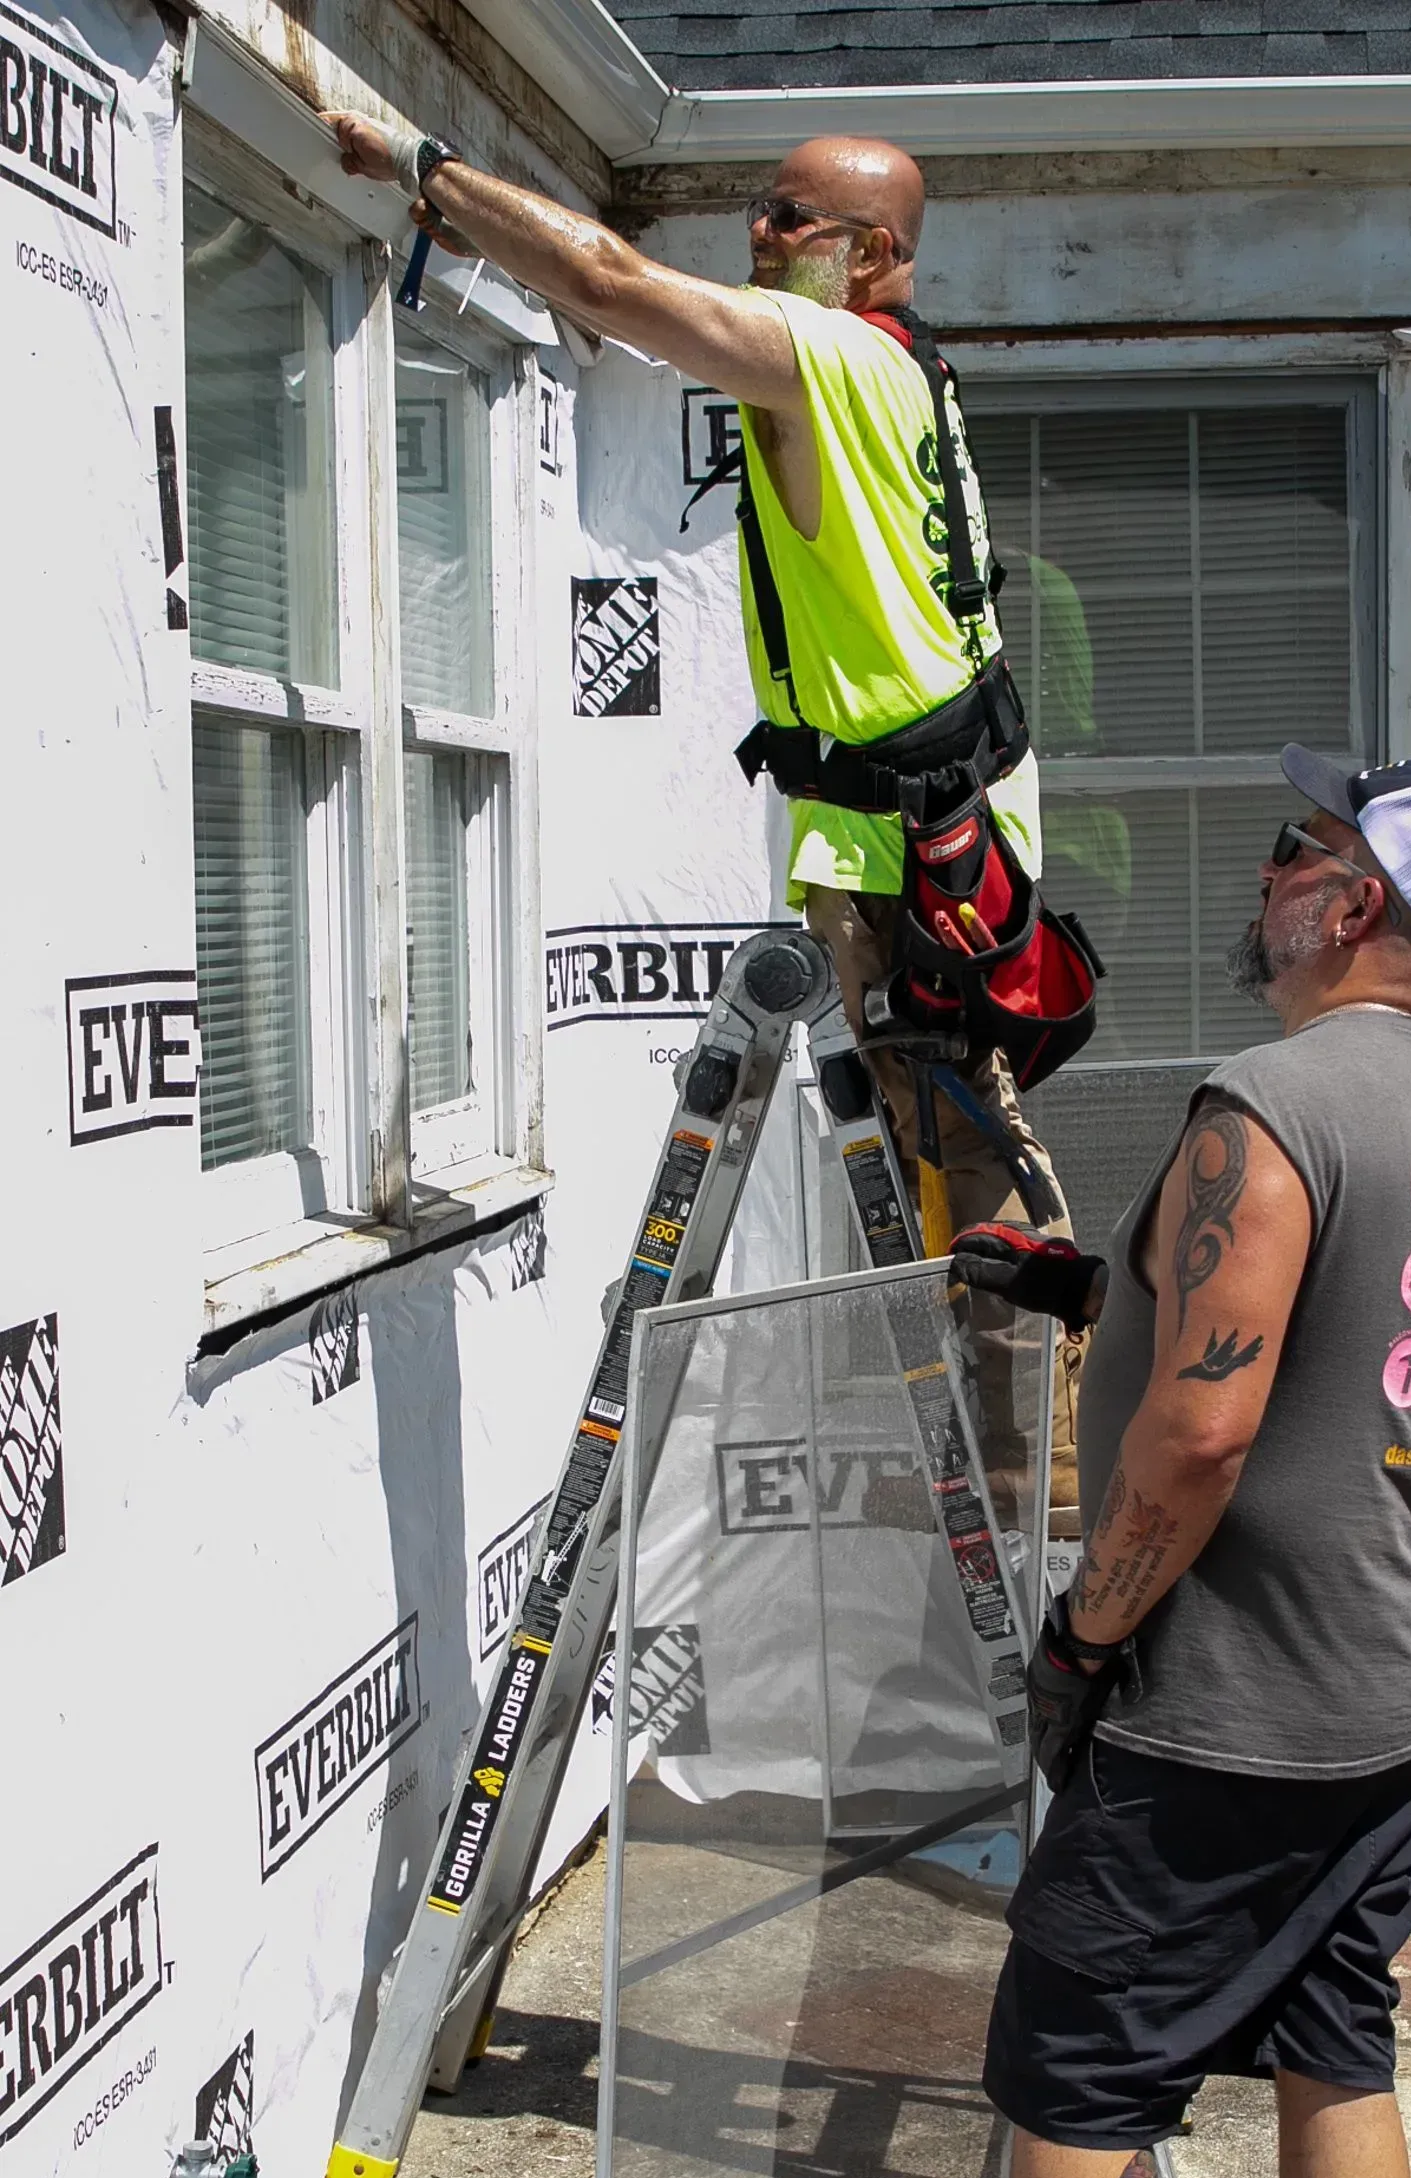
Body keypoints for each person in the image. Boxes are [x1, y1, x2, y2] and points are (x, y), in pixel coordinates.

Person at [849, 744, 1411, 2178]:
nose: (1271, 870)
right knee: (1333, 2041)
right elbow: (1310, 1332)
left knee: (1072, 2065)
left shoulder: (1271, 1098)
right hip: (1393, 1691)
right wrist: (1103, 1285)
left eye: (1302, 850)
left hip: (1229, 1706)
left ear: (1358, 903)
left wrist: (1089, 1634)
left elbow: (1204, 1433)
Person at [329, 115, 1084, 1521]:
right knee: (960, 1160)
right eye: (761, 209)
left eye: (794, 221)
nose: (758, 233)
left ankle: (1032, 1519)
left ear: (876, 259)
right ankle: (1013, 1492)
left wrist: (423, 173)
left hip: (902, 860)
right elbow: (603, 305)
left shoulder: (837, 355)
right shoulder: (895, 363)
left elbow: (612, 284)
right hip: (929, 832)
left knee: (978, 1180)